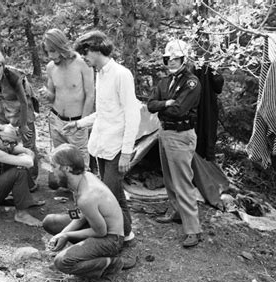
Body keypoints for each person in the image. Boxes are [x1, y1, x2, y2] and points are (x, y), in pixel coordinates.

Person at [63, 30, 141, 245]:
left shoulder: (121, 74)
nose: (84, 58)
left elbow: (132, 115)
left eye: (85, 52)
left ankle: (121, 237)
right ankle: (126, 233)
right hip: (101, 146)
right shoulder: (100, 73)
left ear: (97, 49)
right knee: (114, 194)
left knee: (110, 195)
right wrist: (79, 123)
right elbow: (104, 113)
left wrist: (126, 152)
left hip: (116, 148)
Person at [43, 144, 135, 282]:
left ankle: (112, 263)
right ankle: (85, 252)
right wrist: (61, 234)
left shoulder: (87, 197)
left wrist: (67, 235)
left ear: (66, 168)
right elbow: (81, 214)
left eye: (54, 166)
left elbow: (101, 232)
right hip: (95, 223)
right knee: (50, 222)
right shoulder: (84, 177)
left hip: (111, 239)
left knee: (62, 262)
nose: (52, 171)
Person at [147, 39, 203, 248]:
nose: (171, 62)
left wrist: (163, 106)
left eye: (175, 58)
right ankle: (176, 211)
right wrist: (165, 104)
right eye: (168, 58)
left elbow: (179, 110)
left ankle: (193, 230)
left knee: (183, 182)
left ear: (183, 59)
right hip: (165, 132)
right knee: (169, 178)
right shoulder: (163, 82)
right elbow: (150, 105)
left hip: (181, 134)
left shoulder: (191, 82)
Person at [0, 50, 39, 180]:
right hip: (3, 109)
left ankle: (32, 178)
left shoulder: (13, 77)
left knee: (28, 143)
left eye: (0, 66)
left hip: (23, 110)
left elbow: (23, 102)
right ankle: (11, 176)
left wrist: (23, 125)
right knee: (4, 142)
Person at [39, 28, 95, 167]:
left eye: (52, 51)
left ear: (61, 46)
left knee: (81, 164)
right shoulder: (51, 67)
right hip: (56, 120)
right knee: (61, 163)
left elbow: (90, 95)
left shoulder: (82, 63)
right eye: (47, 51)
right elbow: (52, 96)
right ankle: (67, 188)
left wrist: (82, 124)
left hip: (76, 122)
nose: (50, 55)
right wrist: (46, 94)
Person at [193, 64, 224, 161]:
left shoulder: (189, 66)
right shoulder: (210, 67)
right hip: (207, 106)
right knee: (207, 130)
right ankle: (205, 161)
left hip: (193, 106)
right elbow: (218, 83)